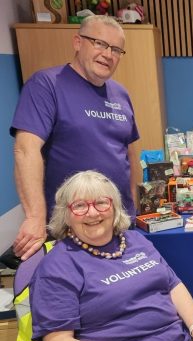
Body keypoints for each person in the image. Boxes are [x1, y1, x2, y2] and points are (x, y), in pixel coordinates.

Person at [30, 170, 193, 341]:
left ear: (115, 207)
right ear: (66, 215)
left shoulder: (135, 239)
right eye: (79, 206)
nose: (92, 212)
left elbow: (173, 285)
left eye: (101, 202)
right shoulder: (56, 266)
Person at [10, 15, 141, 261]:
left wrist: (133, 207)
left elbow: (130, 154)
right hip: (72, 228)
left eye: (115, 49)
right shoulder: (46, 85)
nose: (108, 54)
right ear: (78, 42)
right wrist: (35, 217)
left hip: (118, 224)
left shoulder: (121, 94)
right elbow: (26, 151)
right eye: (99, 43)